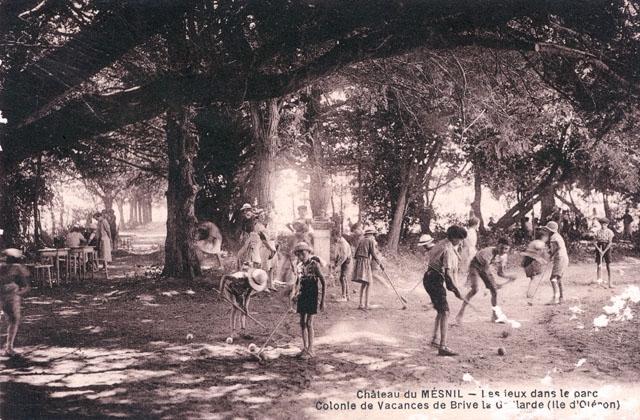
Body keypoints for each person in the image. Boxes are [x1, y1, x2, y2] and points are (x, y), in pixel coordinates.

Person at [423, 226, 467, 356]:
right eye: (460, 239)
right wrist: (456, 290)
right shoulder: (447, 249)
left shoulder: (441, 243)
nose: (461, 242)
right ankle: (443, 346)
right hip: (435, 280)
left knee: (440, 311)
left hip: (429, 278)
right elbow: (448, 275)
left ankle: (434, 339)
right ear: (454, 238)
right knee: (446, 312)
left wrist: (453, 288)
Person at [455, 237, 516, 323]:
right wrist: (495, 284)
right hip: (475, 266)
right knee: (475, 289)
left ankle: (494, 316)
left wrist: (509, 277)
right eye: (501, 247)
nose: (503, 250)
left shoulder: (503, 257)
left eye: (506, 249)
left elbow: (500, 273)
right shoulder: (488, 252)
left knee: (494, 291)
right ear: (497, 246)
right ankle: (461, 312)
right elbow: (486, 270)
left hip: (484, 268)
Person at [291, 242, 325, 358]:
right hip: (302, 294)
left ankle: (311, 349)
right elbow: (297, 282)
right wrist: (295, 295)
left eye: (303, 253)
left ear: (308, 252)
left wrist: (322, 301)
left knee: (309, 323)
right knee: (302, 322)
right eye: (299, 254)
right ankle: (304, 348)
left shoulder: (314, 264)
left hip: (312, 294)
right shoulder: (299, 266)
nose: (301, 256)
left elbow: (323, 281)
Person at [219, 267, 268, 338]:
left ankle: (243, 330)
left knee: (243, 310)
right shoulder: (239, 278)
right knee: (235, 307)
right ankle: (233, 331)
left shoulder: (251, 286)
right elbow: (224, 277)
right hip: (229, 288)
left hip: (240, 291)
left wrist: (246, 307)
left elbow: (247, 296)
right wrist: (221, 292)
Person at [0, 249, 31, 356]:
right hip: (9, 295)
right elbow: (26, 286)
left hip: (10, 295)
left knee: (14, 320)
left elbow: (26, 286)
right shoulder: (16, 268)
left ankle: (9, 347)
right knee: (14, 320)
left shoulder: (16, 268)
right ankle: (9, 347)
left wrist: (18, 292)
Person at [352, 227, 383, 311]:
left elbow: (355, 255)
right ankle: (366, 305)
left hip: (359, 262)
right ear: (370, 234)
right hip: (365, 262)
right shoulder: (370, 240)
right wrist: (379, 263)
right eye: (373, 234)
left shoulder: (361, 240)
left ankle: (361, 304)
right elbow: (373, 253)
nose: (373, 236)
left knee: (364, 283)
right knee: (369, 283)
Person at [541, 221, 569, 304]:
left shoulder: (553, 237)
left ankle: (555, 298)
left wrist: (551, 255)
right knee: (558, 278)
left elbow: (556, 248)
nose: (546, 231)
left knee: (553, 278)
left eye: (547, 230)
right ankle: (561, 298)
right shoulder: (557, 236)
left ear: (550, 231)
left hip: (560, 258)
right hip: (564, 258)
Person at [88, 212, 112, 278]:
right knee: (102, 253)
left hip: (105, 238)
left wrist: (110, 238)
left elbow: (108, 230)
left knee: (105, 252)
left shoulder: (104, 221)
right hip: (101, 239)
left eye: (96, 218)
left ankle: (106, 266)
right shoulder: (99, 222)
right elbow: (98, 232)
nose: (95, 219)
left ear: (98, 216)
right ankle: (104, 266)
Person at [594, 217, 615, 288]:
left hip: (607, 248)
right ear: (600, 224)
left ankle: (610, 283)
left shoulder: (610, 232)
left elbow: (610, 243)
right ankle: (599, 283)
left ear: (607, 224)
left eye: (605, 224)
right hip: (599, 247)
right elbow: (594, 242)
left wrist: (604, 251)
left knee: (608, 265)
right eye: (602, 224)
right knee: (599, 265)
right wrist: (599, 250)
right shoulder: (597, 232)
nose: (603, 226)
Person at [332, 233, 352, 301]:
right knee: (343, 278)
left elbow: (344, 256)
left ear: (338, 236)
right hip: (344, 261)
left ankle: (344, 297)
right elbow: (337, 254)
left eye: (335, 236)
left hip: (347, 261)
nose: (334, 239)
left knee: (343, 278)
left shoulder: (343, 243)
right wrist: (335, 263)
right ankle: (347, 295)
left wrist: (338, 265)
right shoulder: (339, 242)